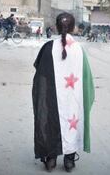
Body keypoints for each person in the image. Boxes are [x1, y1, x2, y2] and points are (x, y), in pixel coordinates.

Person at [32, 12, 95, 172]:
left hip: (52, 97)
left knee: (52, 122)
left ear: (56, 27)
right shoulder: (79, 50)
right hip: (74, 99)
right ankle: (69, 160)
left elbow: (40, 73)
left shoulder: (47, 48)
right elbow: (87, 79)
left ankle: (51, 158)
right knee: (72, 123)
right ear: (73, 28)